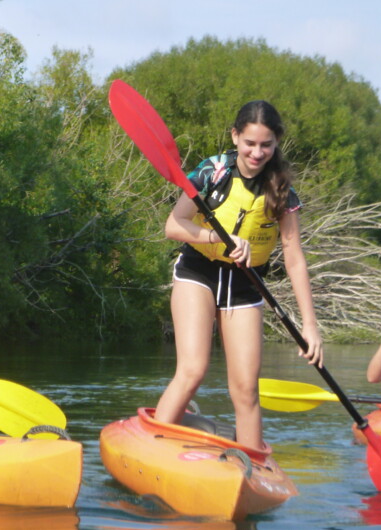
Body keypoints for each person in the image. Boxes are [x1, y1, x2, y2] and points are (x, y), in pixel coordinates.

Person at [154, 100, 324, 450]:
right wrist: (219, 236)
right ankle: (154, 444)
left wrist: (309, 325)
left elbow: (294, 258)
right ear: (235, 136)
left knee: (246, 389)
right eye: (249, 143)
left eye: (266, 144)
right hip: (198, 273)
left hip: (246, 286)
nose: (257, 152)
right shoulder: (212, 172)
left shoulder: (283, 193)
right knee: (193, 370)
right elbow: (174, 226)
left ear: (276, 143)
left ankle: (252, 464)